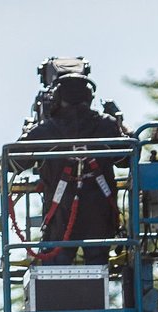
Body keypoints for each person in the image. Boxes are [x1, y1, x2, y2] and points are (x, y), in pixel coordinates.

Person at [17, 72, 128, 265]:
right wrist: (120, 122)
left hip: (60, 217)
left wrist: (27, 131)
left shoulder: (46, 131)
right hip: (99, 217)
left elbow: (15, 162)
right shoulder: (106, 126)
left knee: (56, 273)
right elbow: (126, 158)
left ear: (57, 99)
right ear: (89, 98)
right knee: (98, 271)